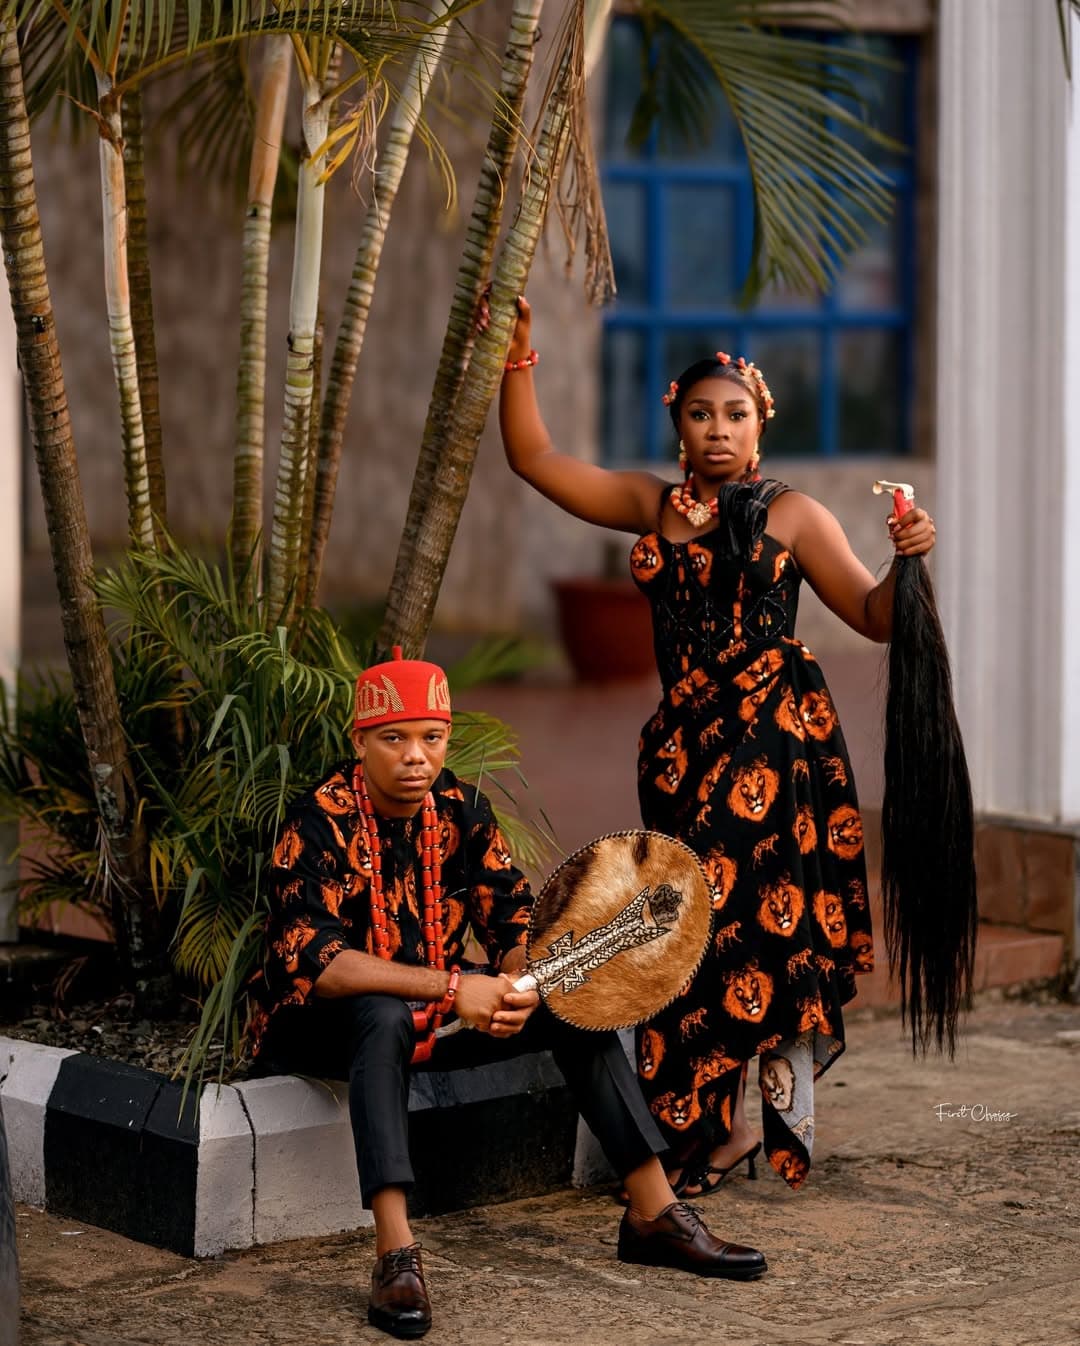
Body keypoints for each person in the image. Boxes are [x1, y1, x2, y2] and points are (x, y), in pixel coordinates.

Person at [497, 297, 935, 1202]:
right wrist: (518, 364)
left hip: (776, 750)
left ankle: (729, 1130)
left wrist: (908, 558)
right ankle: (702, 1126)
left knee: (741, 919)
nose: (718, 428)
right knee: (694, 936)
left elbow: (874, 617)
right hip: (684, 759)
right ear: (679, 424)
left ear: (760, 424)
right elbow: (535, 461)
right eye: (701, 413)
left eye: (735, 413)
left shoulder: (797, 515)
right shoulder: (651, 505)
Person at [249, 647, 766, 1341]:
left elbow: (514, 918)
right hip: (318, 1022)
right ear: (359, 742)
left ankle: (653, 1213)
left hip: (433, 1008)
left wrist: (525, 978)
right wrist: (456, 984)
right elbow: (321, 964)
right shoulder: (317, 820)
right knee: (379, 1012)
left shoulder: (462, 807)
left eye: (430, 739)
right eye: (393, 739)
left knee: (568, 1001)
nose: (415, 758)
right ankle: (396, 1254)